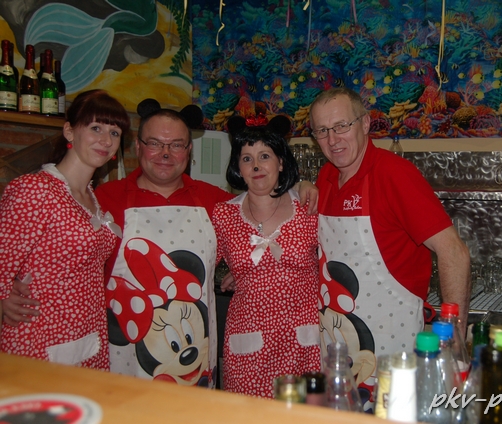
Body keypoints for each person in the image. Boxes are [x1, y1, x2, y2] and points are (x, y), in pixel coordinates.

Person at [3, 100, 319, 388]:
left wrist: (300, 184)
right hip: (123, 357)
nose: (165, 153)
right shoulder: (104, 198)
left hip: (194, 358)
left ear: (188, 151)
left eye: (176, 145)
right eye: (155, 143)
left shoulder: (214, 201)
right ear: (138, 147)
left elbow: (260, 204)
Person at [309, 88, 471, 408]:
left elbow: (455, 252)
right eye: (322, 131)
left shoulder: (394, 174)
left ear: (365, 124)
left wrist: (454, 342)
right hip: (337, 353)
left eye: (341, 126)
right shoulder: (325, 176)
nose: (333, 139)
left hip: (393, 352)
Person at [0, 89, 130, 370]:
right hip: (41, 336)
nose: (106, 140)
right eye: (96, 128)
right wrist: (3, 296)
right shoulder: (36, 189)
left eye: (114, 133)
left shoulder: (90, 196)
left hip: (88, 333)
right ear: (70, 131)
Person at [212, 116, 321, 398]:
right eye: (247, 159)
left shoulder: (309, 208)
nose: (256, 166)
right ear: (238, 168)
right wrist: (244, 271)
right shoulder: (223, 215)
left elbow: (335, 262)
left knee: (305, 414)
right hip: (249, 343)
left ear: (280, 162)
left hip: (304, 343)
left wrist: (305, 182)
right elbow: (201, 266)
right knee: (248, 414)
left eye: (264, 156)